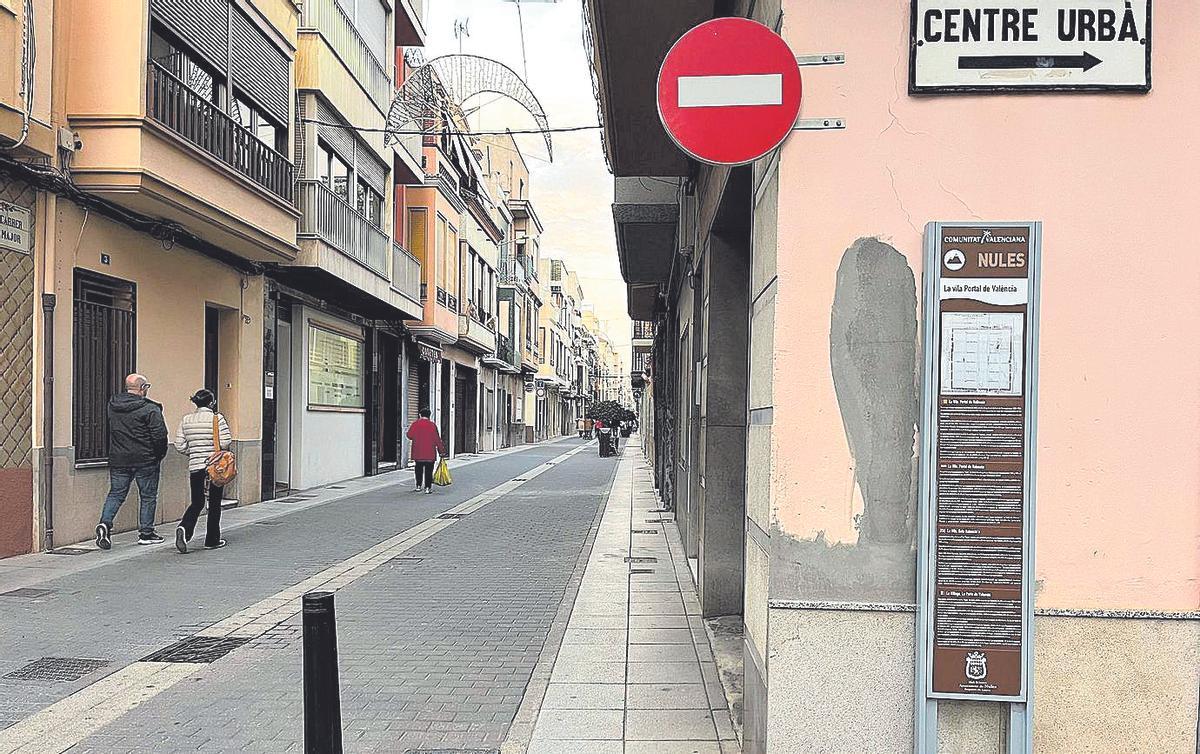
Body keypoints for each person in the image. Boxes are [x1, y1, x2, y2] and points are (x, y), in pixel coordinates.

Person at [95, 374, 168, 549]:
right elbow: (160, 437)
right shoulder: (150, 409)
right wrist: (158, 456)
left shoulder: (113, 406)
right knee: (148, 497)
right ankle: (146, 533)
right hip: (145, 460)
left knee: (116, 494)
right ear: (143, 388)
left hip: (119, 459)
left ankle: (105, 524)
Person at [173, 389, 232, 553]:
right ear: (211, 402)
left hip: (196, 466)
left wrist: (194, 453)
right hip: (215, 467)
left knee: (197, 501)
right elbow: (226, 442)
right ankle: (212, 539)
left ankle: (185, 528)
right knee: (214, 504)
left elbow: (179, 445)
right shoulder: (216, 418)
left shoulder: (186, 420)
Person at [406, 408, 446, 494]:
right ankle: (428, 488)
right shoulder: (432, 425)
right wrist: (441, 451)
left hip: (418, 452)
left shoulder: (415, 424)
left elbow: (409, 435)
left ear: (420, 414)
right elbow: (437, 439)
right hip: (430, 453)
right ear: (429, 415)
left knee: (418, 470)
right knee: (429, 471)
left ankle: (418, 486)